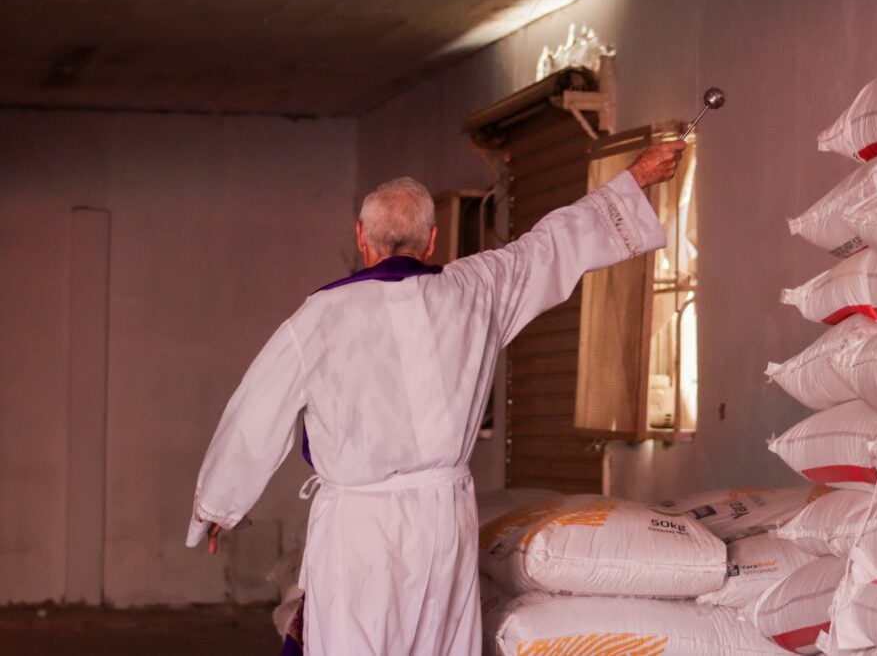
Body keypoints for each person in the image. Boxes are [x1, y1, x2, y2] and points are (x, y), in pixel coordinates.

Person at [186, 139, 688, 655]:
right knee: (437, 644)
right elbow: (551, 245)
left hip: (359, 526)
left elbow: (257, 407)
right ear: (432, 240)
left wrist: (219, 505)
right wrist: (637, 177)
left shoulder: (320, 316)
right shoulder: (476, 289)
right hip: (441, 518)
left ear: (361, 238)